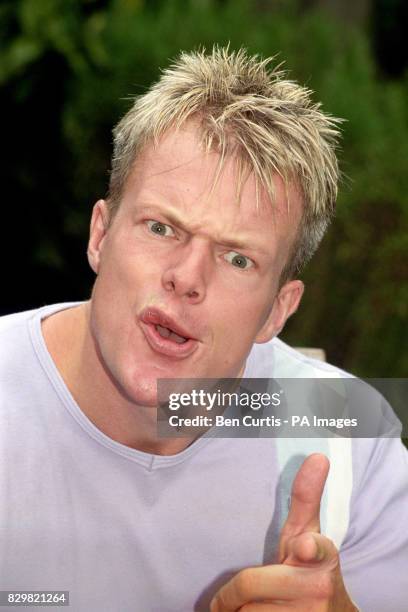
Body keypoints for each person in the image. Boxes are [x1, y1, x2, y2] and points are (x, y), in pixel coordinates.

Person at [0, 47, 407, 612]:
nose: (187, 278)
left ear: (278, 311)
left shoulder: (347, 436)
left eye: (238, 259)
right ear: (100, 233)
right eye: (162, 227)